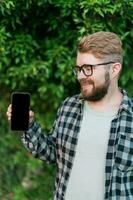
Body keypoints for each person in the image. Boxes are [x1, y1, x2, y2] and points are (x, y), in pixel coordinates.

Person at [7, 31, 133, 200]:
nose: (81, 76)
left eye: (88, 69)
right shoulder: (69, 106)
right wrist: (28, 126)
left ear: (114, 69)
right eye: (78, 69)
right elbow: (52, 153)